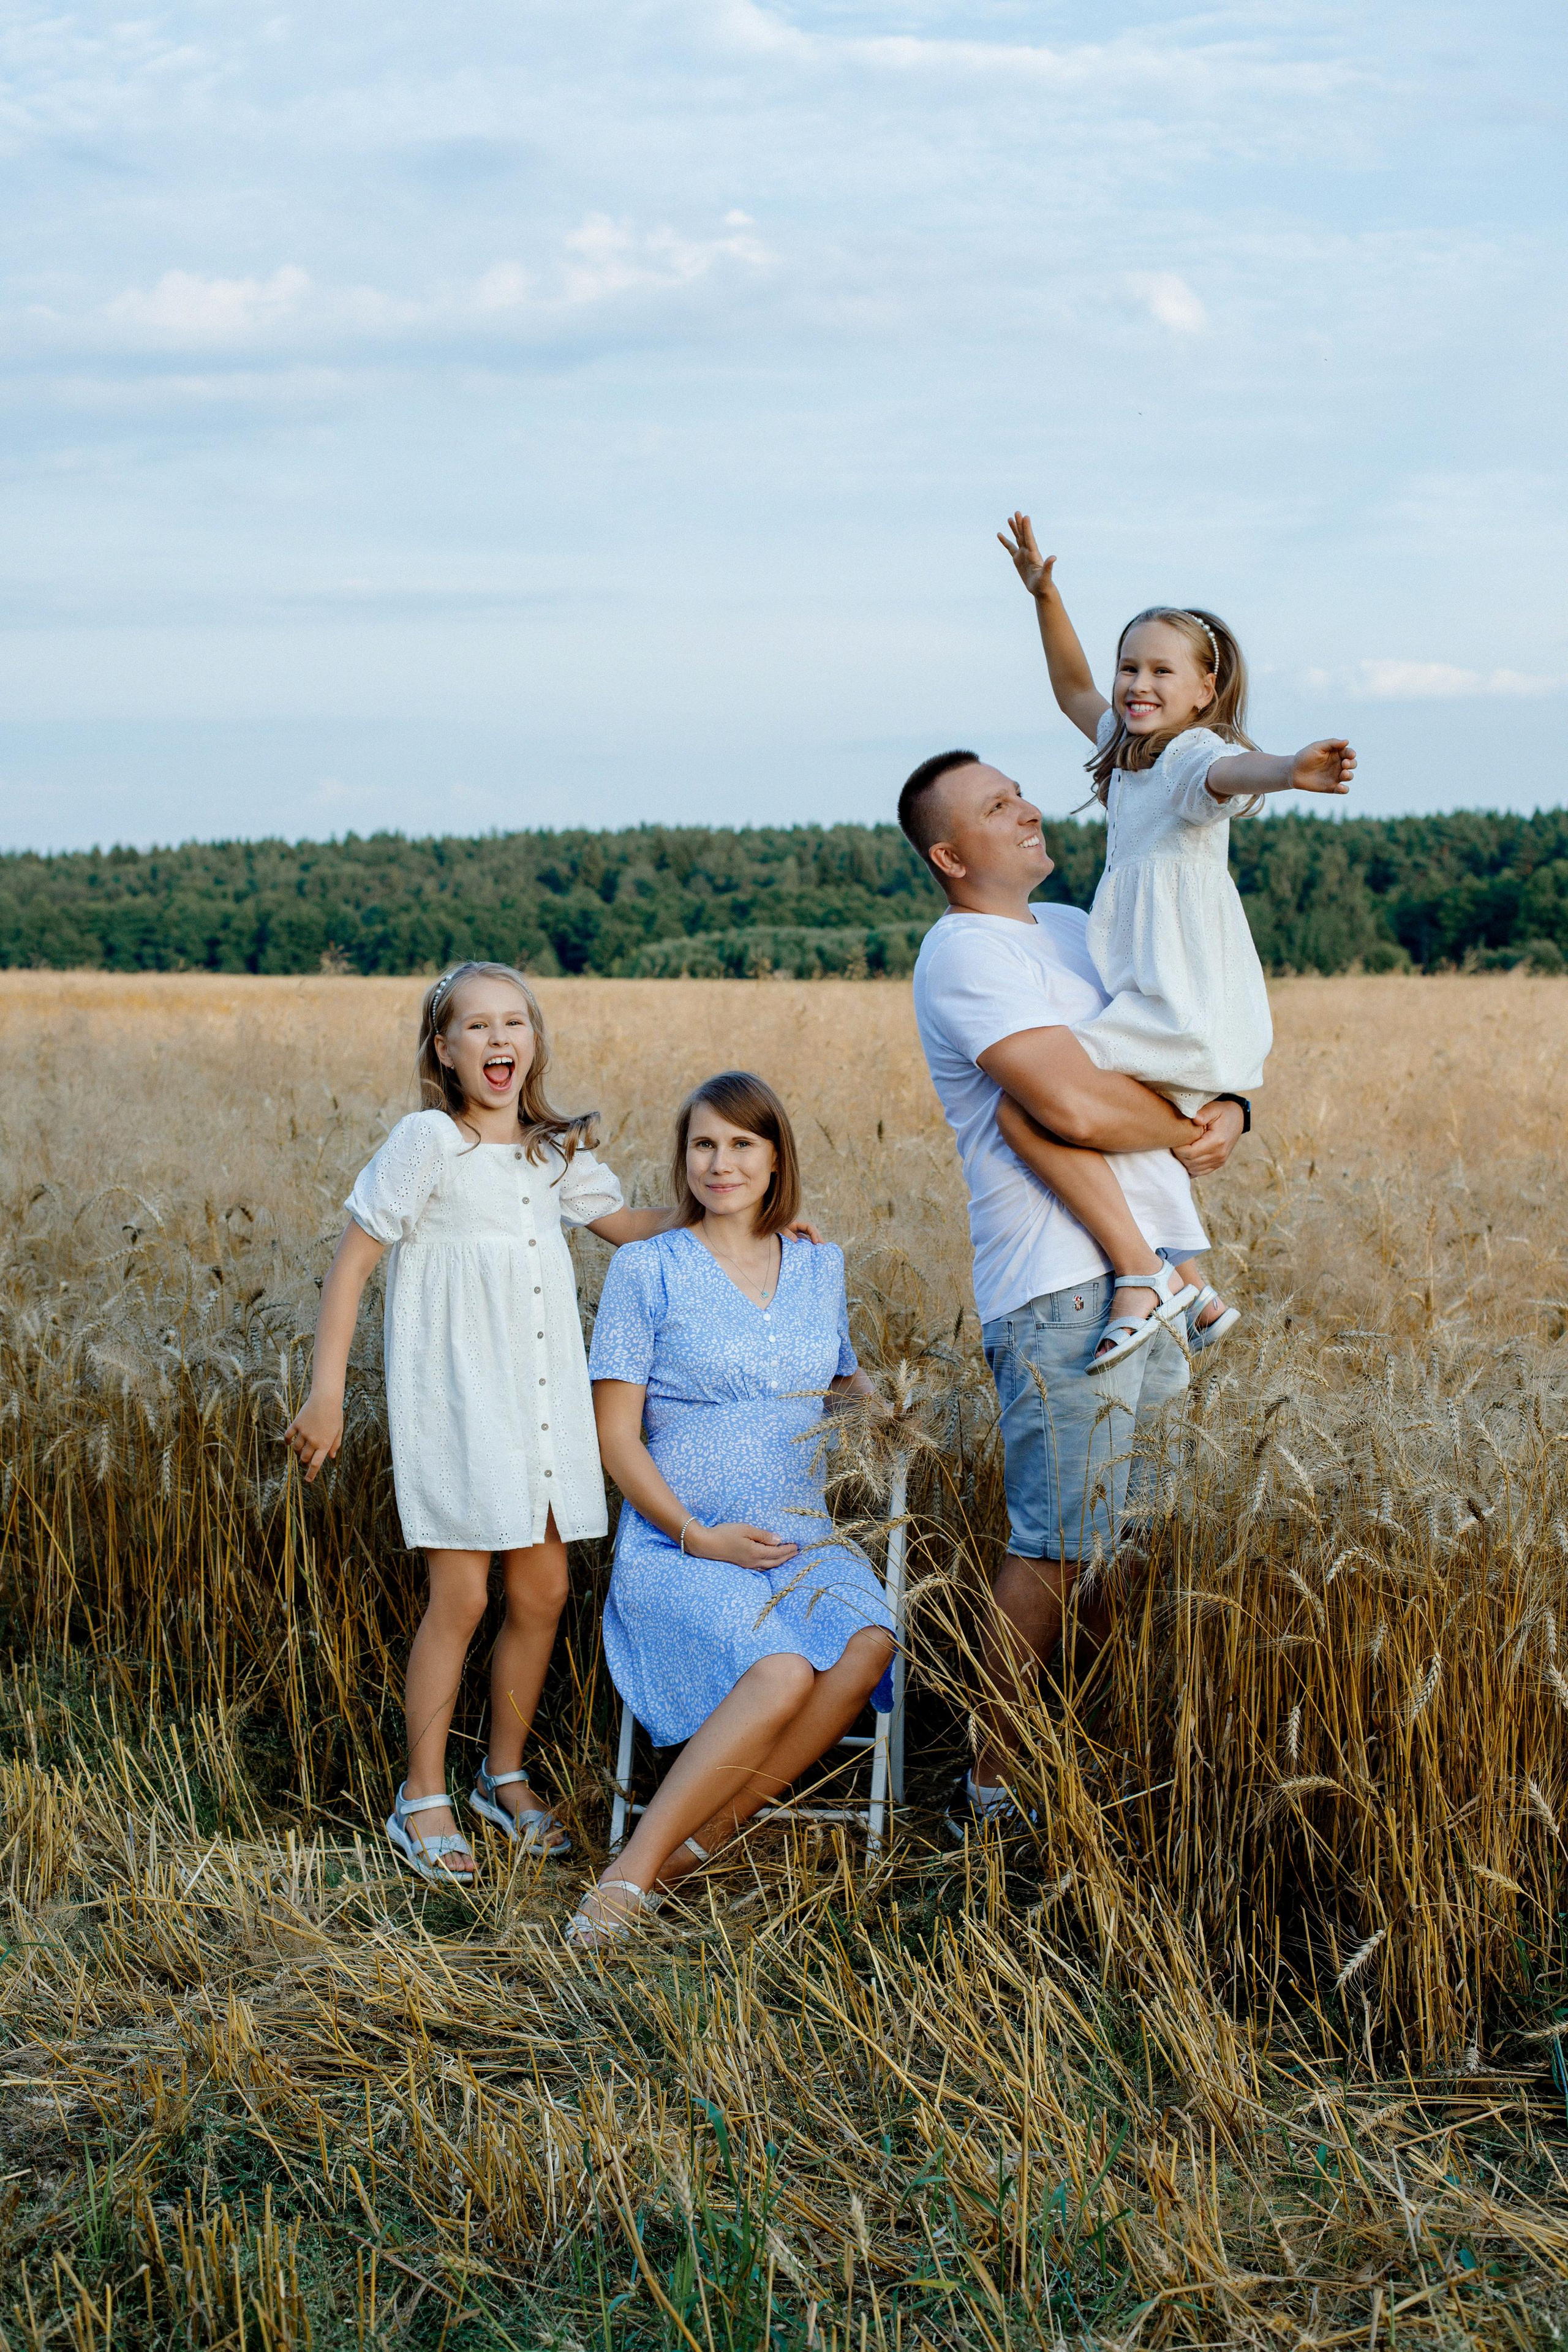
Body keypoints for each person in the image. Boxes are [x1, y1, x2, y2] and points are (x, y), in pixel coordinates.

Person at [281, 961, 700, 1885]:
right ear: (443, 1048)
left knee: (544, 1595)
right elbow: (351, 1267)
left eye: (515, 1023)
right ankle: (420, 1794)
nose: (499, 1040)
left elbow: (629, 1223)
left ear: (535, 1042)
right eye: (476, 1027)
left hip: (544, 1407)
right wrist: (326, 1394)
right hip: (461, 1405)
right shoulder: (428, 1140)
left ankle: (499, 1776)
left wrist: (731, 1209)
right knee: (463, 1597)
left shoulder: (555, 1153)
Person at [900, 756, 1245, 1830]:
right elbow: (1069, 1104)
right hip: (1058, 1286)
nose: (1029, 809)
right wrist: (1189, 1126)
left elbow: (1160, 1048)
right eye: (998, 808)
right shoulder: (961, 955)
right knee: (1055, 1548)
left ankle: (1079, 1761)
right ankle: (991, 1788)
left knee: (1129, 1549)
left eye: (1020, 792)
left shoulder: (1064, 923)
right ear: (952, 857)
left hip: (1153, 1278)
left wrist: (1229, 1098)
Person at [986, 511, 1355, 1368]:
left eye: (1161, 670)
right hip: (1160, 1004)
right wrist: (1047, 597)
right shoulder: (1127, 753)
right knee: (1113, 1123)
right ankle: (1196, 1283)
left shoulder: (1190, 758)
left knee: (1030, 1103)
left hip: (1179, 1009)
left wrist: (1289, 769)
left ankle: (1144, 1274)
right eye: (1131, 667)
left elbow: (1232, 770)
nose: (1135, 683)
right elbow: (1072, 686)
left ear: (1204, 691)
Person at [565, 1070, 895, 1949]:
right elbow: (615, 1437)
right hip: (683, 1545)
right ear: (683, 1159)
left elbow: (844, 1386)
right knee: (785, 1669)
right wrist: (697, 1535)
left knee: (869, 1643)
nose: (721, 1163)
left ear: (775, 1155)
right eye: (703, 1145)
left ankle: (699, 1844)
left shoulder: (817, 1265)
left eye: (742, 1144)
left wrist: (894, 1413)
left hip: (799, 1536)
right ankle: (631, 1874)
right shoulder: (648, 1269)